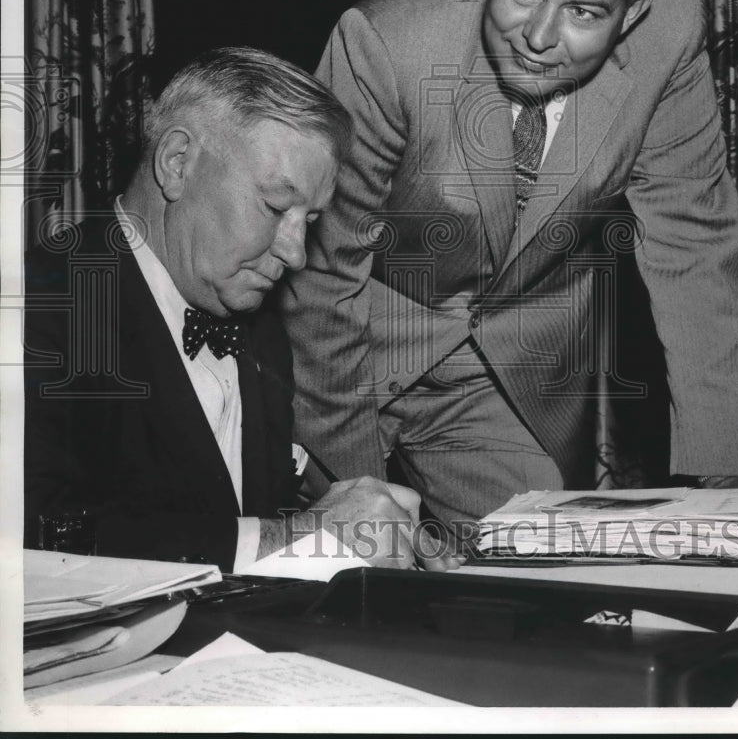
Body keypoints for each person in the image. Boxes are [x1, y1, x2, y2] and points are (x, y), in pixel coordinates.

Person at [281, 0, 738, 531]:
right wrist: (357, 486)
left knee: (541, 566)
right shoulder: (385, 41)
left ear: (632, 13)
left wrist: (722, 482)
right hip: (352, 351)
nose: (536, 38)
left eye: (583, 12)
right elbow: (323, 279)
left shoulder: (670, 33)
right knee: (346, 569)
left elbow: (696, 251)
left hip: (503, 369)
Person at [24, 46, 460, 572]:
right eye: (276, 206)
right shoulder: (39, 307)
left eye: (312, 219)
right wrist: (298, 537)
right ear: (177, 163)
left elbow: (232, 501)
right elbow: (33, 533)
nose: (296, 251)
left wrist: (367, 516)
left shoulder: (256, 316)